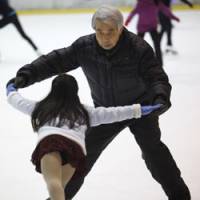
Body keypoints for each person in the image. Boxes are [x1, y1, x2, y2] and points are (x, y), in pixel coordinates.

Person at [7, 5, 191, 200]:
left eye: (111, 31)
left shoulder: (139, 49)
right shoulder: (84, 47)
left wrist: (160, 96)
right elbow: (55, 61)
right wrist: (27, 75)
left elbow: (156, 77)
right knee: (79, 160)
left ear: (121, 28)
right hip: (105, 112)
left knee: (154, 154)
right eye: (100, 31)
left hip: (141, 110)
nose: (105, 37)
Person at [6, 74, 160, 200]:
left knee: (54, 184)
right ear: (75, 91)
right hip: (75, 149)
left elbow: (17, 101)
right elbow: (114, 113)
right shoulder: (85, 112)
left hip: (51, 142)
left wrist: (11, 89)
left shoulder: (40, 108)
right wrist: (138, 110)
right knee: (60, 188)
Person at [125, 0, 180, 66]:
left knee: (155, 45)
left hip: (150, 27)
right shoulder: (152, 2)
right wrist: (128, 20)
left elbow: (133, 12)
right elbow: (166, 10)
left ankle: (159, 63)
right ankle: (138, 62)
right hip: (145, 27)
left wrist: (128, 20)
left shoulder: (155, 2)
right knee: (143, 46)